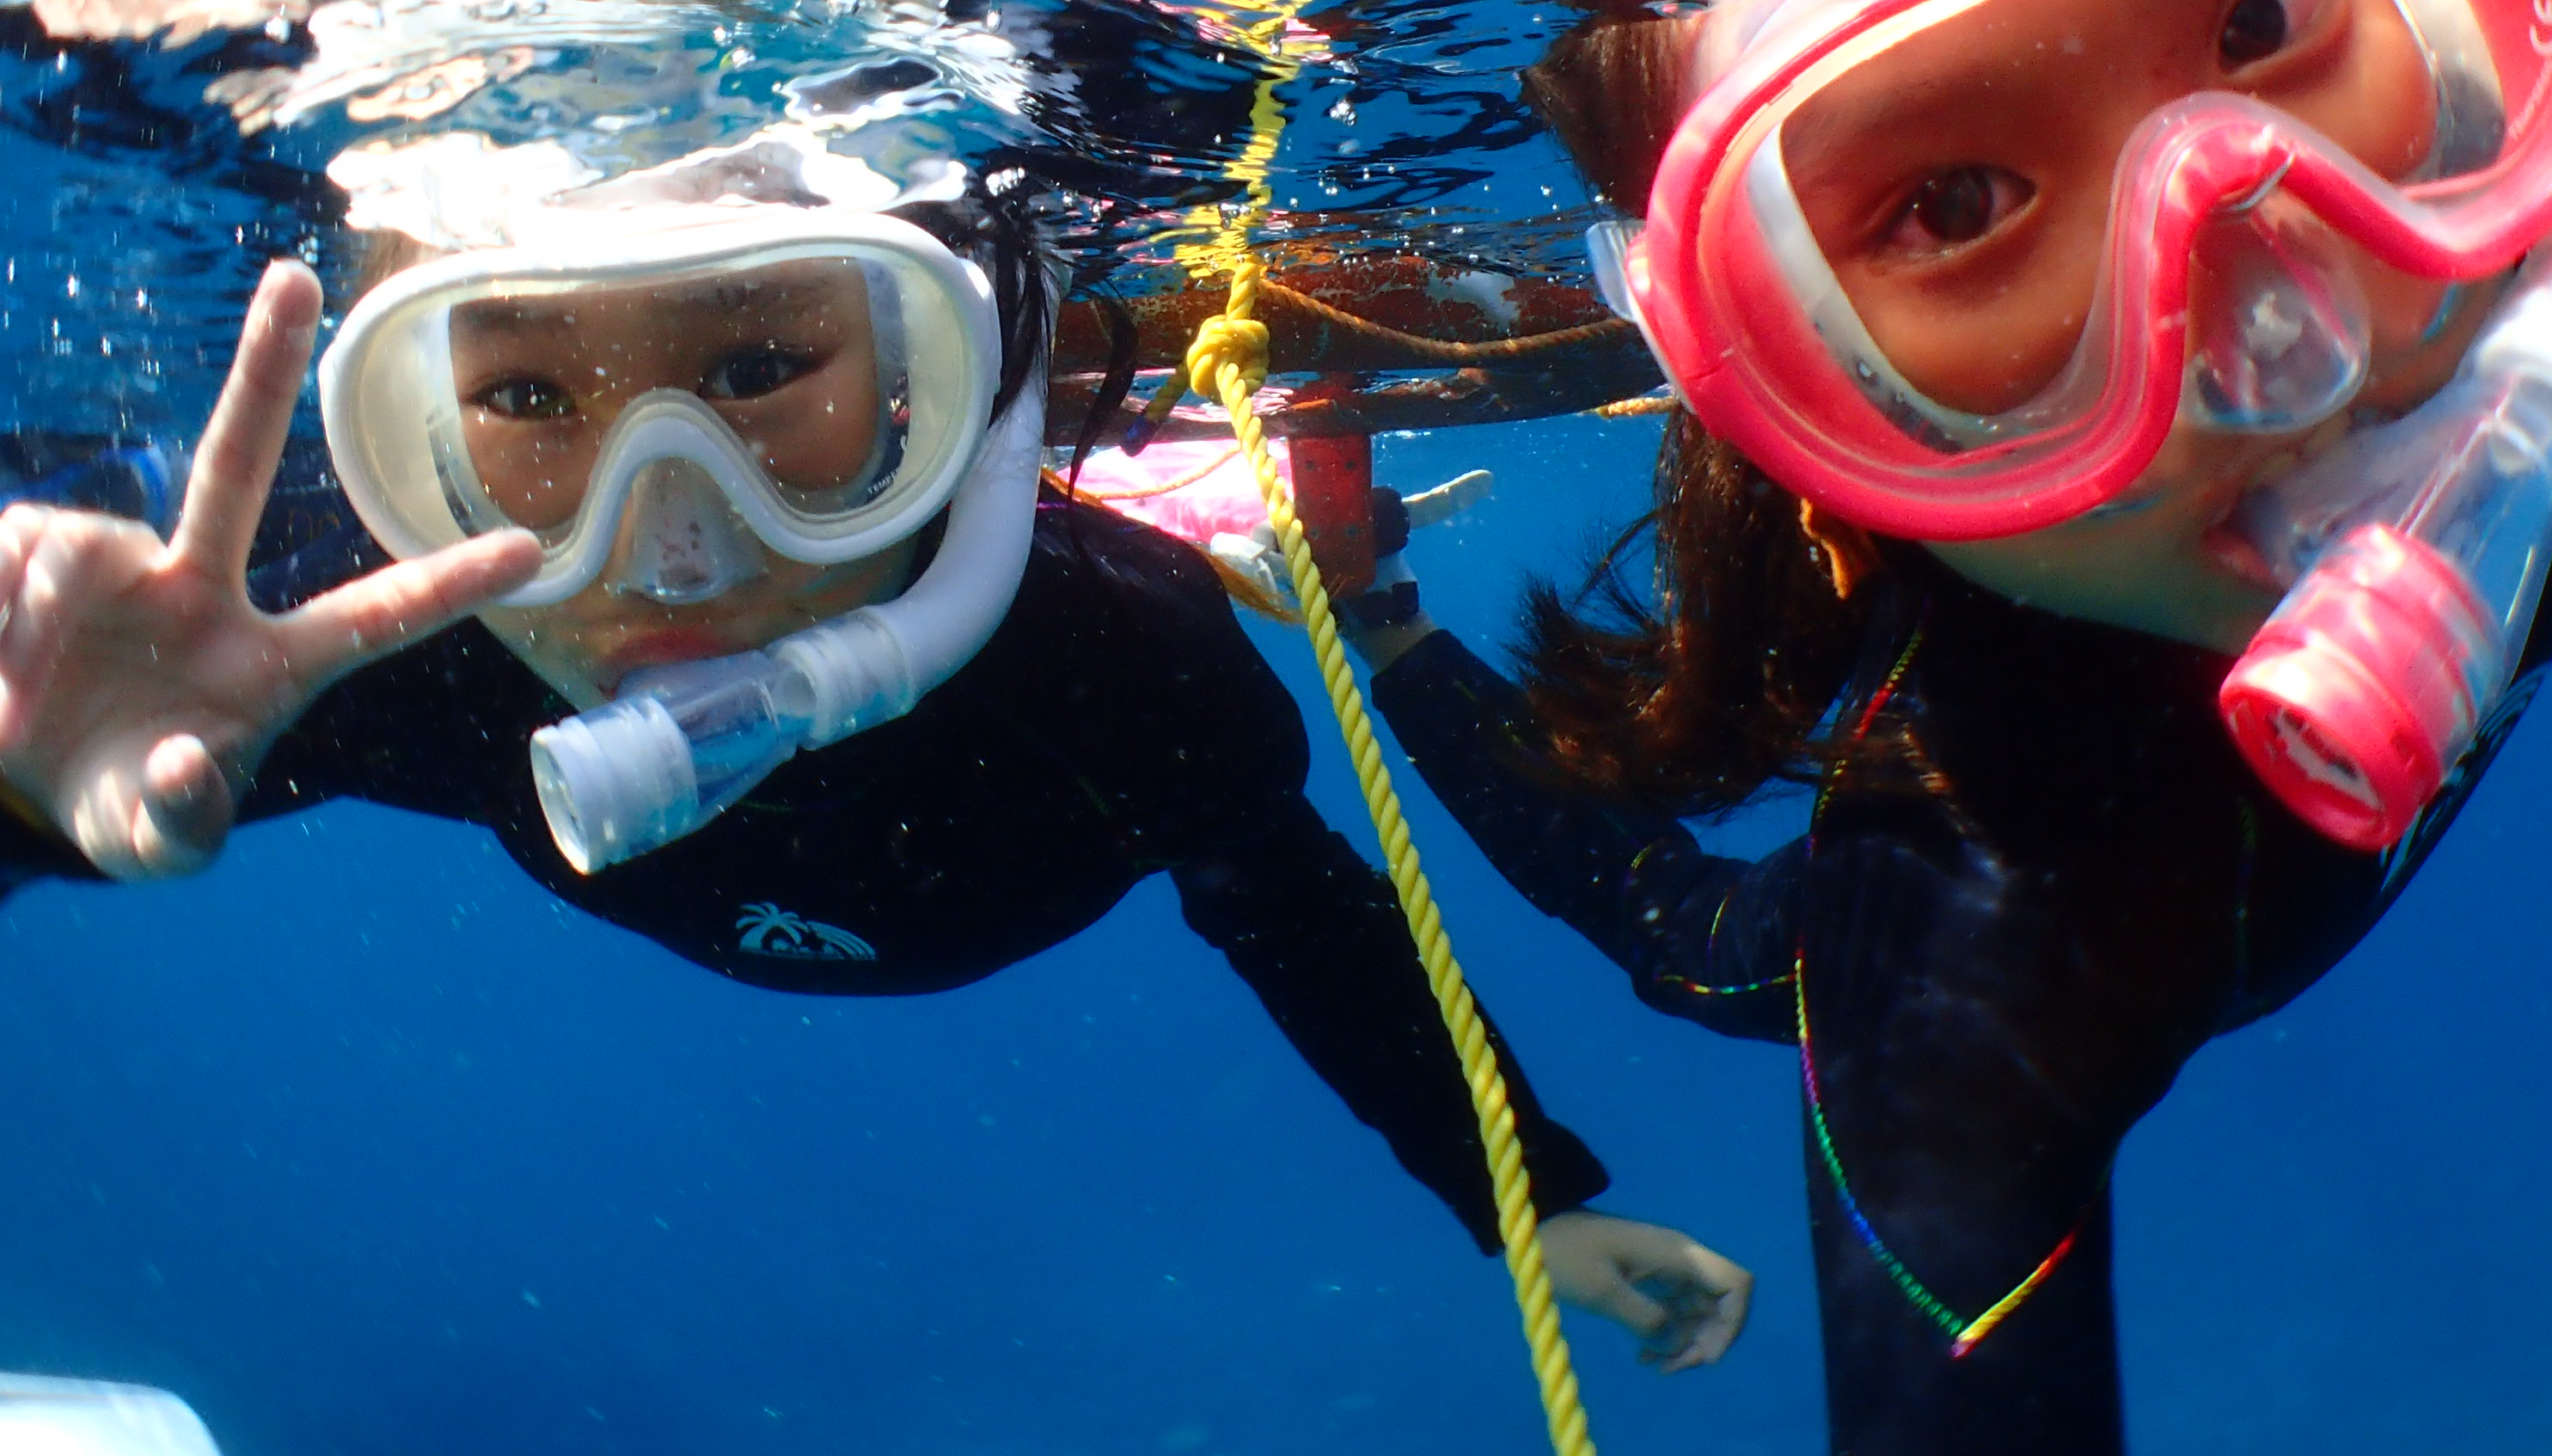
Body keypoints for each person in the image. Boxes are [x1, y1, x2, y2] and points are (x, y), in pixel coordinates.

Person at [1345, 0, 2552, 1452]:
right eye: (1948, 204)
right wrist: (1384, 626)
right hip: (2022, 879)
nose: (2271, 332)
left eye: (2263, 15)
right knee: (1711, 950)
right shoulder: (1965, 930)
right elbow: (1675, 926)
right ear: (1786, 398)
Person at [0, 130, 1753, 1370]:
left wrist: (1516, 1196)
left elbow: (1302, 917)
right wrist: (24, 783)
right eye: (528, 400)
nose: (666, 541)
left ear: (930, 376)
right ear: (412, 448)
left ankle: (1186, 477)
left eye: (763, 365)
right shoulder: (396, 654)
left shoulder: (1121, 665)